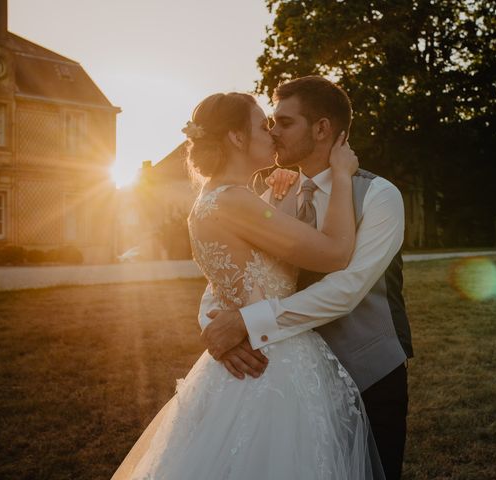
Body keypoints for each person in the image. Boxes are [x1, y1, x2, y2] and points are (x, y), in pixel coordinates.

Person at [111, 92, 384, 479]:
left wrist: (276, 196)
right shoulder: (235, 201)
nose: (272, 134)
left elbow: (239, 271)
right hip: (272, 366)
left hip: (249, 358)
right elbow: (336, 253)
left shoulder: (218, 199)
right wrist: (341, 176)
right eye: (262, 125)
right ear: (237, 138)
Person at [201, 76, 413, 480]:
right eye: (269, 123)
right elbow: (226, 268)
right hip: (292, 382)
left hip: (370, 374)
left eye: (283, 122)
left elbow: (346, 290)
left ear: (322, 129)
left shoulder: (380, 196)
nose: (272, 132)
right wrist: (214, 330)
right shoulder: (270, 197)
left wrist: (248, 323)